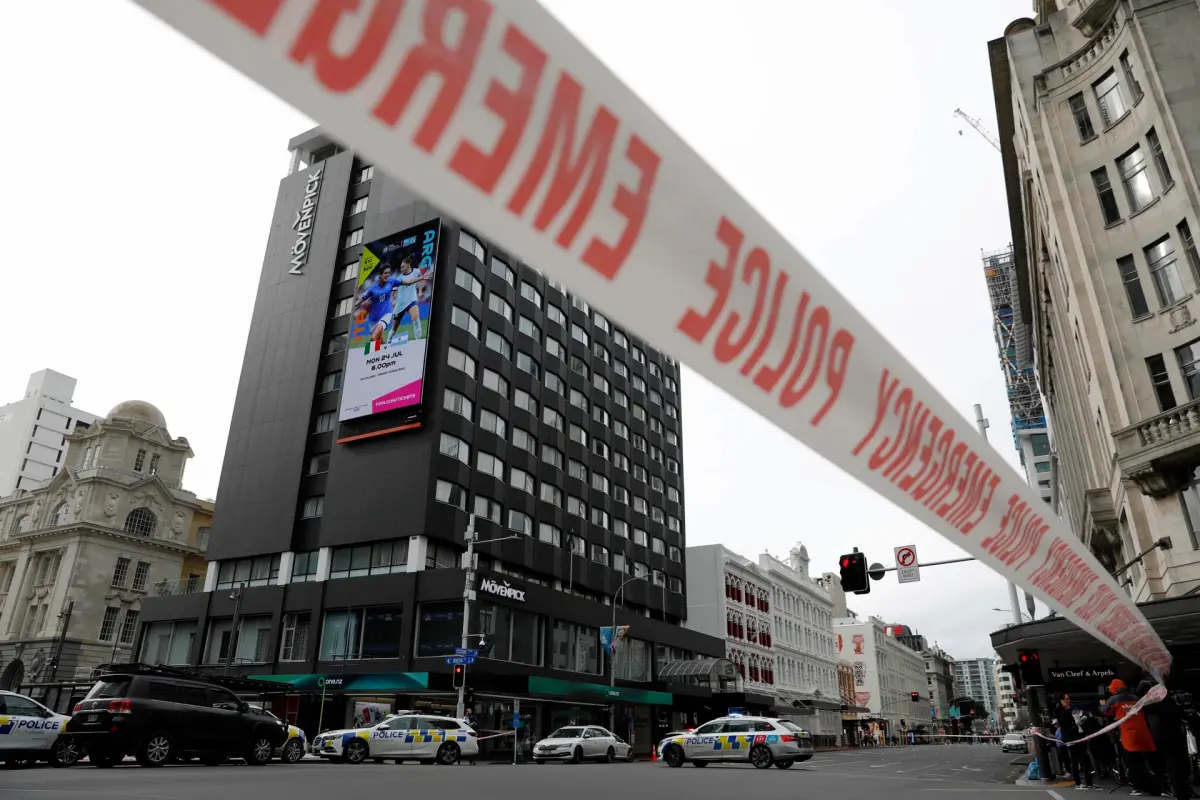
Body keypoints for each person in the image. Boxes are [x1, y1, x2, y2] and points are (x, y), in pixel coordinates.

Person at [1107, 678, 1160, 796]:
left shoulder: (1114, 699)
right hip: (1143, 734)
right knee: (1142, 762)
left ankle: (1141, 787)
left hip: (1128, 736)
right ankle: (1155, 785)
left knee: (1131, 764)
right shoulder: (1136, 698)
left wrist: (1102, 706)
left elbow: (1105, 711)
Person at [1142, 680, 1192, 800]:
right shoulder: (1165, 706)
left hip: (1157, 739)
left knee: (1168, 767)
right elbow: (1178, 715)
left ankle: (1170, 789)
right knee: (1177, 766)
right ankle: (1182, 793)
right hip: (1173, 738)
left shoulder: (1148, 706)